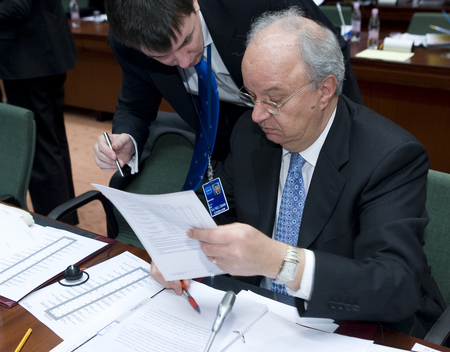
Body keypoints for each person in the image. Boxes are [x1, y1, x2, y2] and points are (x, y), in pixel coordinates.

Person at [151, 8, 445, 338]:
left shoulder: (390, 157)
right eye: (252, 96)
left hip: (352, 328)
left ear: (324, 90)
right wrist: (177, 248)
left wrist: (281, 262)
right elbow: (219, 208)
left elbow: (395, 284)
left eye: (274, 100)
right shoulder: (250, 136)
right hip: (256, 317)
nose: (258, 114)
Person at [94, 0, 363, 184]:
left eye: (187, 40)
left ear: (194, 2)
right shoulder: (127, 45)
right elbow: (135, 106)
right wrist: (126, 138)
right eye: (164, 56)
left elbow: (329, 52)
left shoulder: (252, 4)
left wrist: (342, 136)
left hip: (297, 113)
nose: (185, 62)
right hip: (225, 140)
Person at [0, 0, 78, 223]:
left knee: (42, 150)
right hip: (42, 54)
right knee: (52, 145)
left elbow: (17, 6)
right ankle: (64, 218)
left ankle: (55, 224)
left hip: (28, 60)